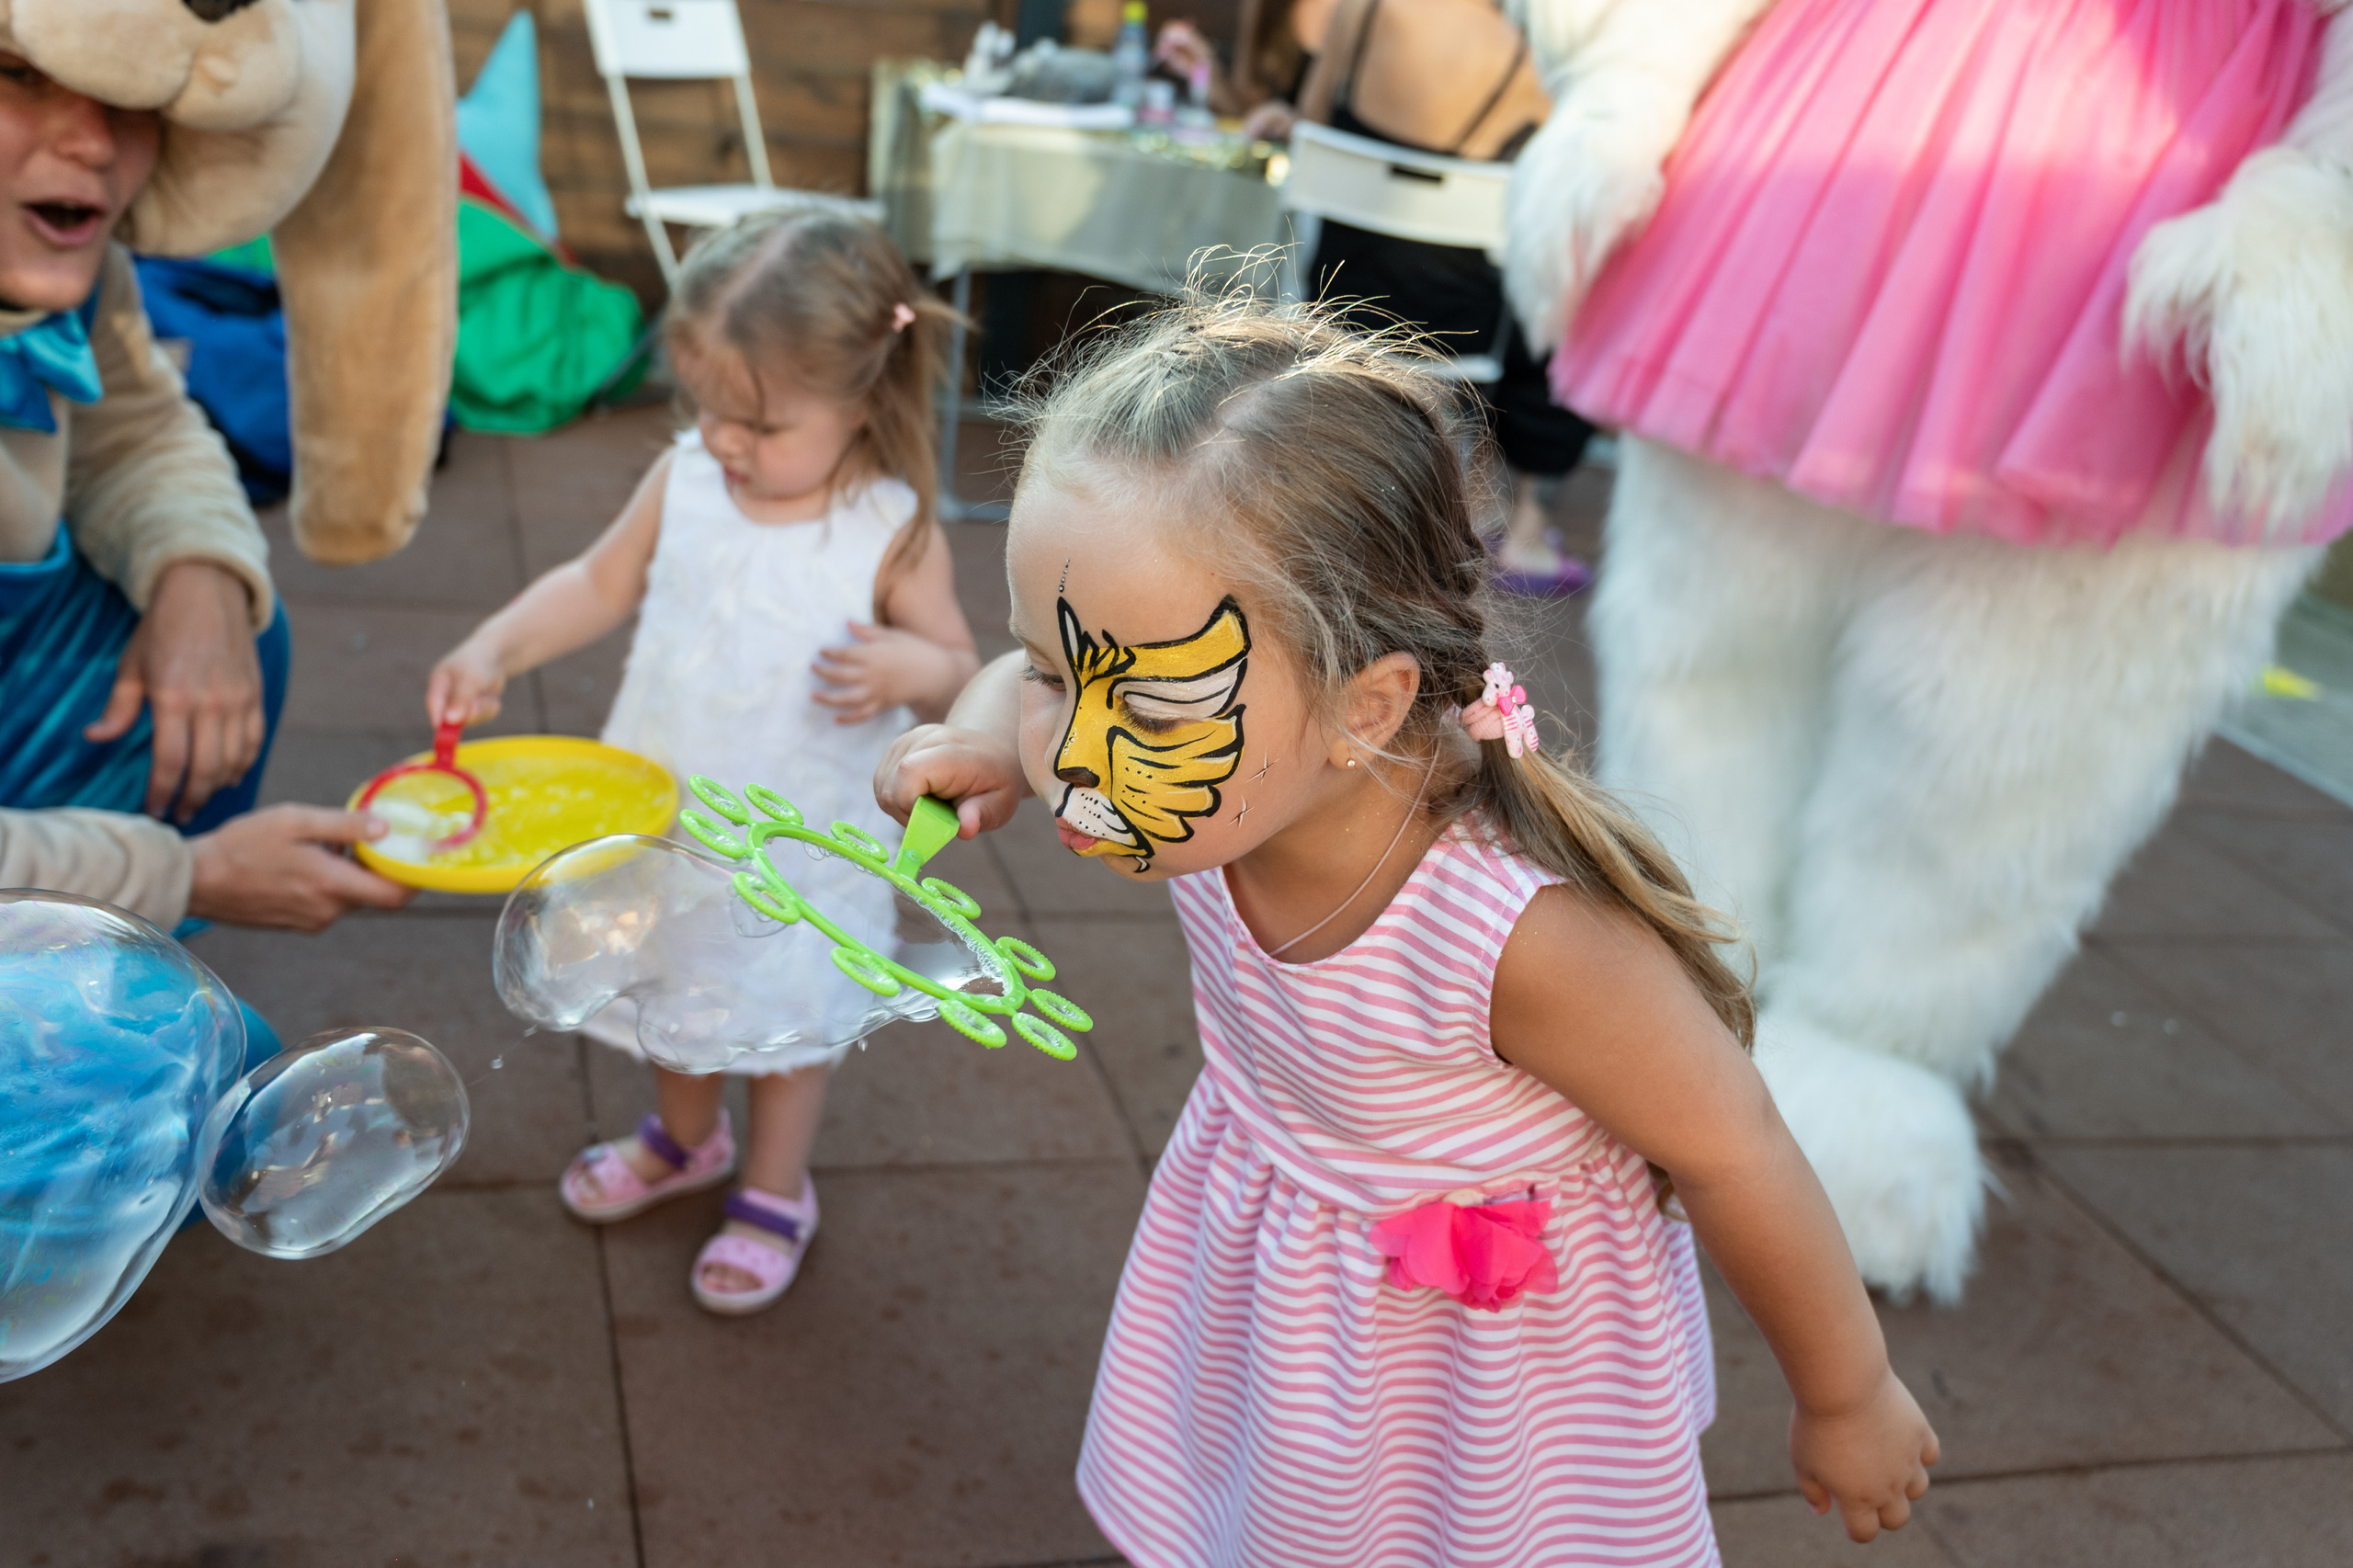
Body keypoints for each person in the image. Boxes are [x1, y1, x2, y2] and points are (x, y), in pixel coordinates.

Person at [877, 299, 1938, 1564]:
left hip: (1489, 1357)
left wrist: (1846, 1392)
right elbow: (1035, 690)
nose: (1076, 754)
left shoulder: (1519, 942)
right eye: (1055, 677)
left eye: (1151, 711)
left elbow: (1737, 1147)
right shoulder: (1185, 778)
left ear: (1365, 706)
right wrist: (986, 732)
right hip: (1293, 1283)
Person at [428, 210, 979, 1315]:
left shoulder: (891, 526)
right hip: (665, 817)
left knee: (783, 1018)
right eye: (709, 408)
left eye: (760, 423)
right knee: (668, 994)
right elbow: (594, 583)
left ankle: (775, 1187)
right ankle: (684, 1141)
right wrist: (493, 643)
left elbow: (964, 667)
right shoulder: (683, 478)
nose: (725, 439)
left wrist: (911, 662)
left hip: (801, 843)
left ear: (861, 397)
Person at [0, 51, 414, 940]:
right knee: (200, 1063)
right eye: (16, 72)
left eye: (124, 88)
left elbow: (138, 426)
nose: (95, 140)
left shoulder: (64, 254)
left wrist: (197, 571)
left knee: (239, 626)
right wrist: (183, 876)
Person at [1302, 0, 1594, 594]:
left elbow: (1310, 127)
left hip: (1337, 297)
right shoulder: (1527, 59)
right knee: (1571, 319)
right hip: (1458, 330)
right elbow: (1549, 190)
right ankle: (1523, 537)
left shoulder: (1360, 12)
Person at [1154, 0, 1338, 140]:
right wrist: (1205, 72)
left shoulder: (1357, 12)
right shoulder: (1267, 7)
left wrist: (1297, 128)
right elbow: (1243, 114)